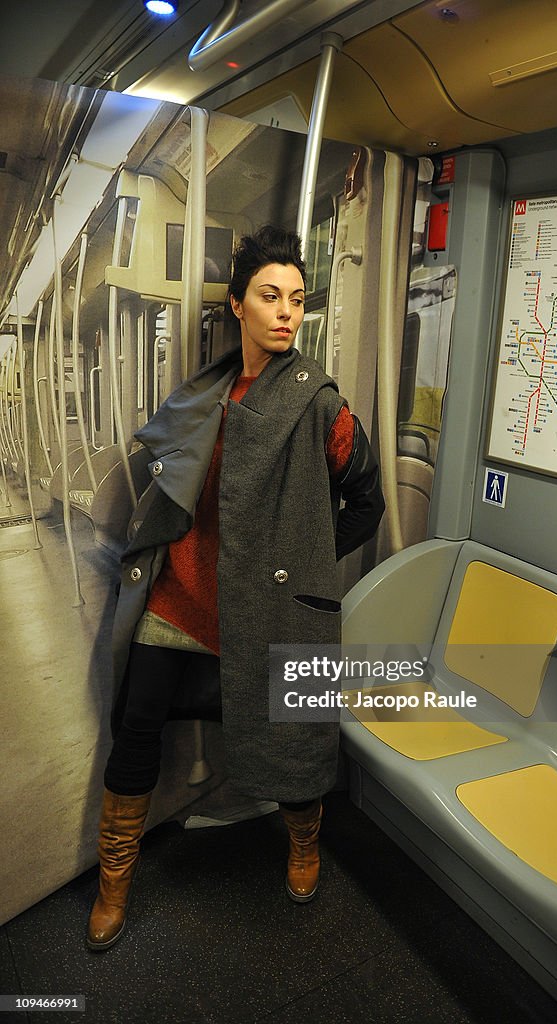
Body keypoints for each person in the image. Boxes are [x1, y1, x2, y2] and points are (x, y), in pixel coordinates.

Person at [87, 225, 385, 951]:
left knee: (294, 744)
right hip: (179, 599)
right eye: (269, 296)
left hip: (270, 605)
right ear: (237, 305)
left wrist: (305, 567)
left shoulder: (319, 405)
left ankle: (303, 844)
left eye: (296, 300)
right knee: (135, 731)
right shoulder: (205, 395)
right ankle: (114, 877)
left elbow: (366, 503)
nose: (285, 312)